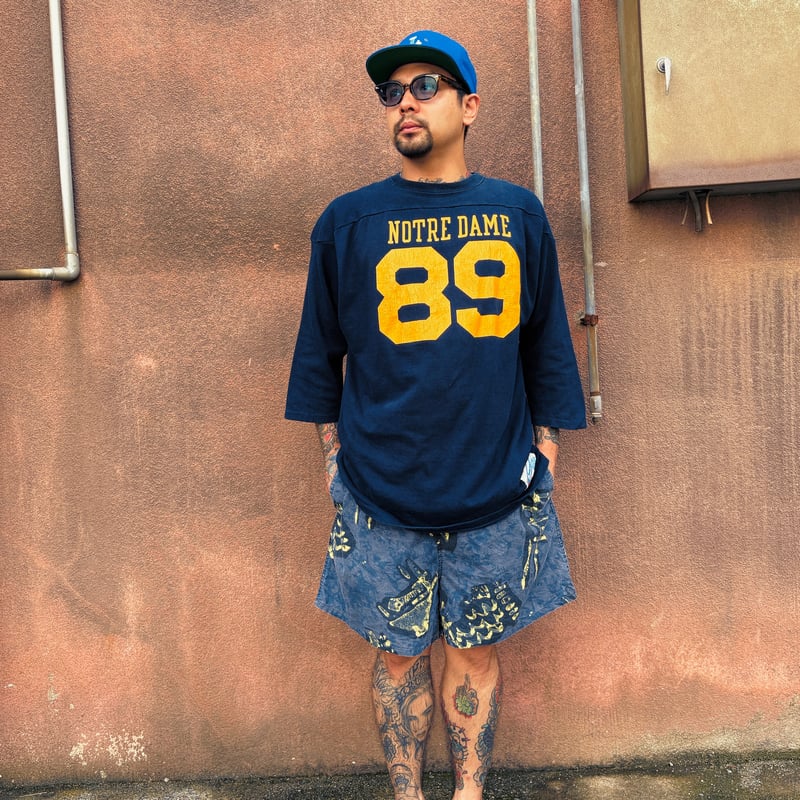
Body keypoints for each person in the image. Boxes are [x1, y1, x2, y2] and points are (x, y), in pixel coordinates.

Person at [285, 30, 586, 800]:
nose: (406, 103)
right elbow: (320, 355)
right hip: (381, 491)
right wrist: (334, 462)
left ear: (469, 105)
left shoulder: (517, 213)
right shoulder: (347, 222)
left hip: (497, 488)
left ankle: (469, 793)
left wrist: (546, 453)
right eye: (392, 92)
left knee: (475, 651)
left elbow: (546, 343)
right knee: (396, 657)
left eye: (426, 86)